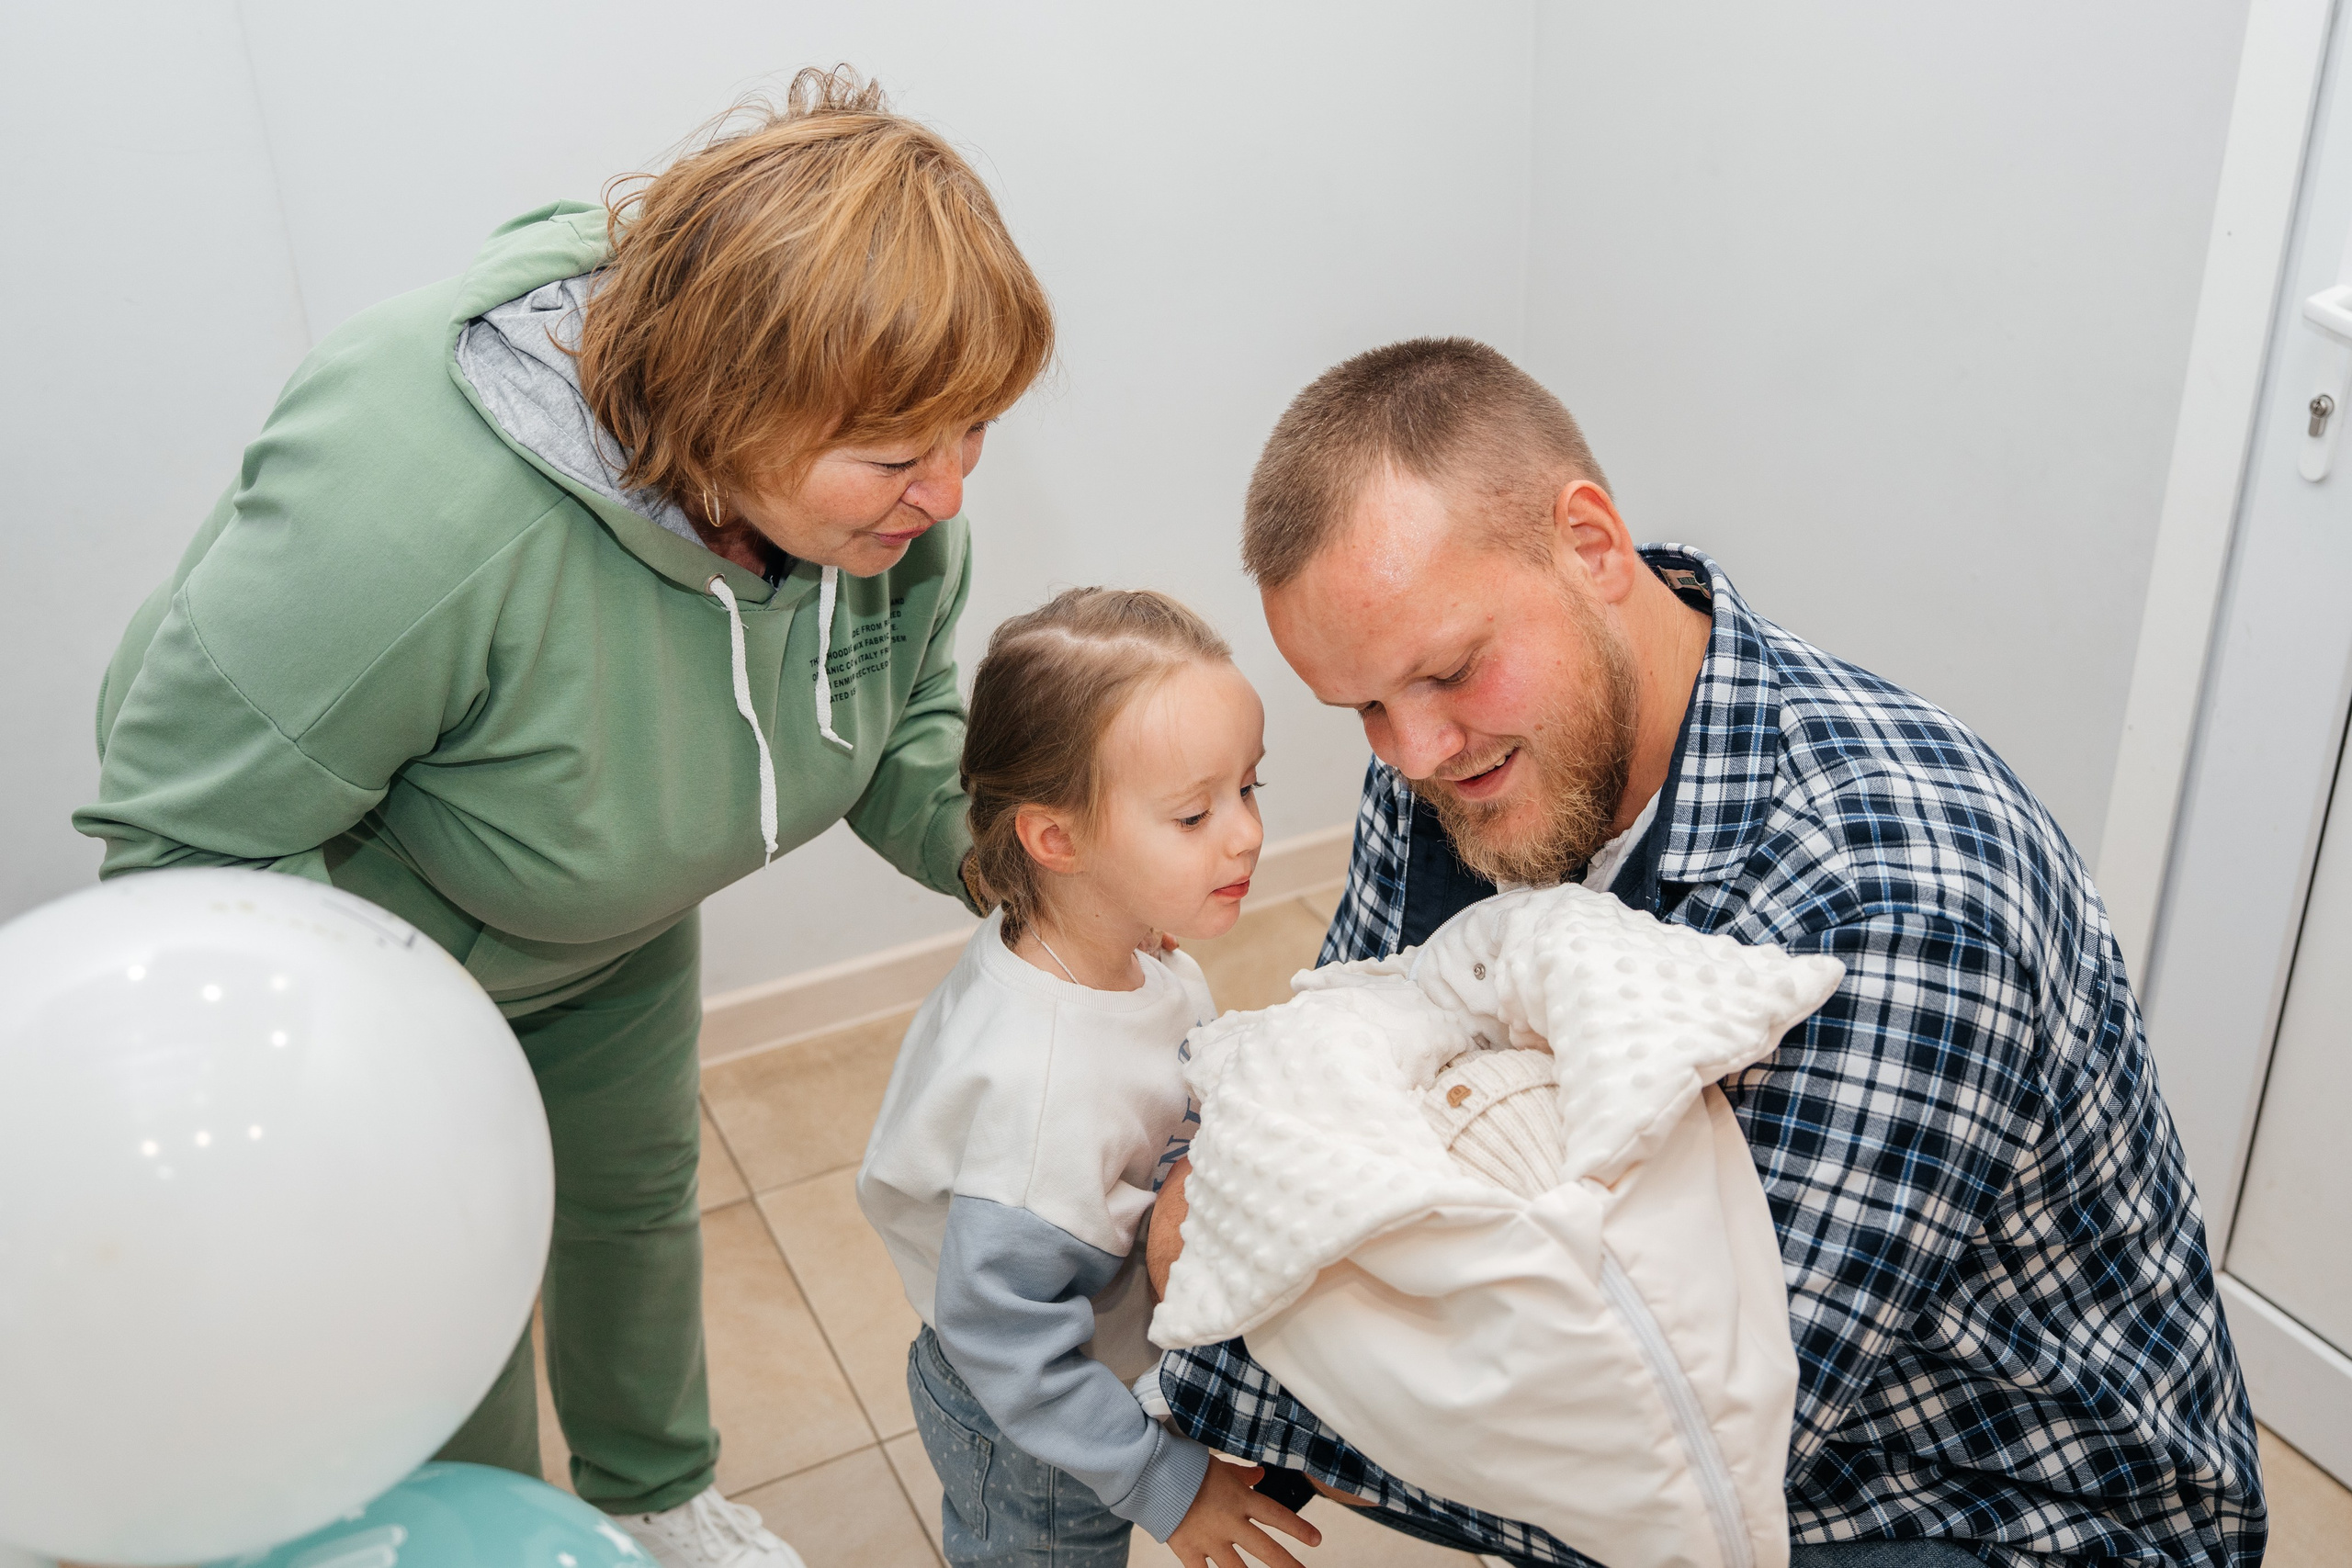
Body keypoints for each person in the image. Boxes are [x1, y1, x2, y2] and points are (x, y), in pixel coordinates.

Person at [72, 69, 1051, 1568]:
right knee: (444, 1271)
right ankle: (486, 1528)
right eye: (901, 452)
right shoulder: (419, 511)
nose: (949, 486)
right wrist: (340, 1097)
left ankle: (650, 1495)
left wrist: (1035, 862)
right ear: (732, 405)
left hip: (602, 909)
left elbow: (894, 723)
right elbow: (182, 833)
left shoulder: (883, 519)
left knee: (633, 1206)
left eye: (974, 429)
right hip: (374, 955)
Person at [1146, 338, 2266, 1567]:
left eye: (1451, 669)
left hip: (1984, 1504)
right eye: (1362, 705)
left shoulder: (1890, 907)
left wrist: (1211, 1301)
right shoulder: (1452, 759)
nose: (1411, 750)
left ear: (1591, 543)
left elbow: (1667, 1456)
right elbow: (1329, 1060)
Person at [857, 590, 1319, 1568]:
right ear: (1054, 840)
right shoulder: (1040, 1096)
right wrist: (1162, 1480)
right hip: (1034, 1430)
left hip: (1088, 1359)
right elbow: (1010, 1352)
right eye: (1193, 813)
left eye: (1249, 788)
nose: (1241, 834)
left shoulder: (1116, 941)